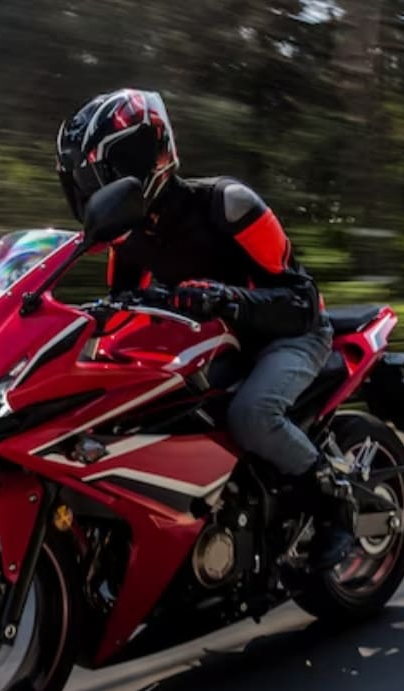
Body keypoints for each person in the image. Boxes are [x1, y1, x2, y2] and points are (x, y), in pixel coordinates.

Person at [55, 88, 355, 570]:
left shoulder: (227, 204)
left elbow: (300, 301)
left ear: (153, 151)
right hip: (214, 347)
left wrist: (225, 298)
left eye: (108, 170)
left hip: (288, 337)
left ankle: (333, 503)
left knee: (252, 414)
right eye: (88, 179)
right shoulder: (128, 239)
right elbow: (118, 310)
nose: (99, 188)